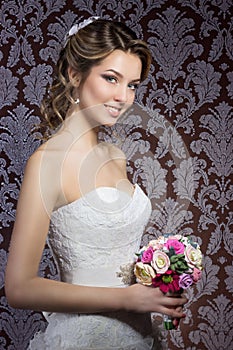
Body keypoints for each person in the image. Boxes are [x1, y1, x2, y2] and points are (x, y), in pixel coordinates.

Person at [5, 18, 187, 349]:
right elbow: (19, 288)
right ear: (75, 74)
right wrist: (127, 300)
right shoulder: (47, 164)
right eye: (111, 79)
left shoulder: (115, 156)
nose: (123, 96)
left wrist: (159, 284)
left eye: (132, 84)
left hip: (140, 335)